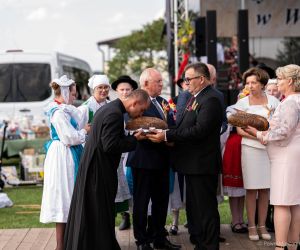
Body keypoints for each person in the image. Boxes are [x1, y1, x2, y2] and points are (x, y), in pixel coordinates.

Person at [148, 62, 223, 250]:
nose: (186, 83)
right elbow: (183, 124)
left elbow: (200, 130)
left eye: (189, 79)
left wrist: (167, 135)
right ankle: (199, 241)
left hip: (203, 163)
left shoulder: (211, 98)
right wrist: (167, 132)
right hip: (191, 162)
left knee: (205, 208)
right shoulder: (193, 96)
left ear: (202, 79)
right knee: (194, 208)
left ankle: (209, 245)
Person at [63, 89, 150, 250]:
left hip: (94, 167)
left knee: (94, 212)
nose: (140, 114)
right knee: (99, 213)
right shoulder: (115, 114)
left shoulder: (110, 109)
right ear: (135, 103)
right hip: (98, 171)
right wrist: (133, 139)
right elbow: (110, 145)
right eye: (142, 109)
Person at [244, 64, 300, 250]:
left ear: (290, 81)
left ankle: (280, 246)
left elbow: (284, 131)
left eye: (281, 79)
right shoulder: (295, 100)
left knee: (282, 203)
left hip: (286, 157)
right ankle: (292, 244)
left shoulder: (291, 102)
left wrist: (260, 134)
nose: (278, 83)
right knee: (294, 203)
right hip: (290, 155)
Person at [128, 68, 180, 250]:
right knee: (142, 202)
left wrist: (169, 136)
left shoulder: (163, 102)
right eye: (158, 81)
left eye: (161, 81)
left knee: (161, 201)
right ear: (146, 83)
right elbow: (134, 127)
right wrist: (161, 136)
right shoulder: (136, 102)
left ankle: (158, 236)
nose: (161, 84)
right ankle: (142, 240)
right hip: (143, 159)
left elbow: (172, 124)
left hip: (163, 159)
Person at [40, 75, 90, 250]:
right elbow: (69, 137)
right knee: (64, 195)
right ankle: (61, 245)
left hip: (68, 152)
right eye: (73, 93)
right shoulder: (58, 112)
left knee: (69, 195)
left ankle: (71, 241)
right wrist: (84, 131)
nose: (74, 96)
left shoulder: (65, 109)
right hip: (63, 154)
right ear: (65, 92)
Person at [234, 67, 280, 241]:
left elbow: (278, 125)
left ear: (262, 84)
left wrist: (267, 137)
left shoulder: (274, 101)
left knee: (265, 190)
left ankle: (262, 225)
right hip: (251, 150)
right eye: (247, 83)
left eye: (254, 82)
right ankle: (251, 225)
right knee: (252, 190)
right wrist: (259, 137)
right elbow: (239, 130)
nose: (250, 86)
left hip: (269, 150)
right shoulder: (242, 103)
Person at [111, 75, 138, 231]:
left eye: (128, 89)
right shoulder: (113, 107)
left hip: (131, 150)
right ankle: (124, 215)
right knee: (121, 184)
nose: (125, 92)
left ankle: (134, 215)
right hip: (118, 151)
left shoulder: (134, 107)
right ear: (117, 91)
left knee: (131, 183)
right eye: (122, 89)